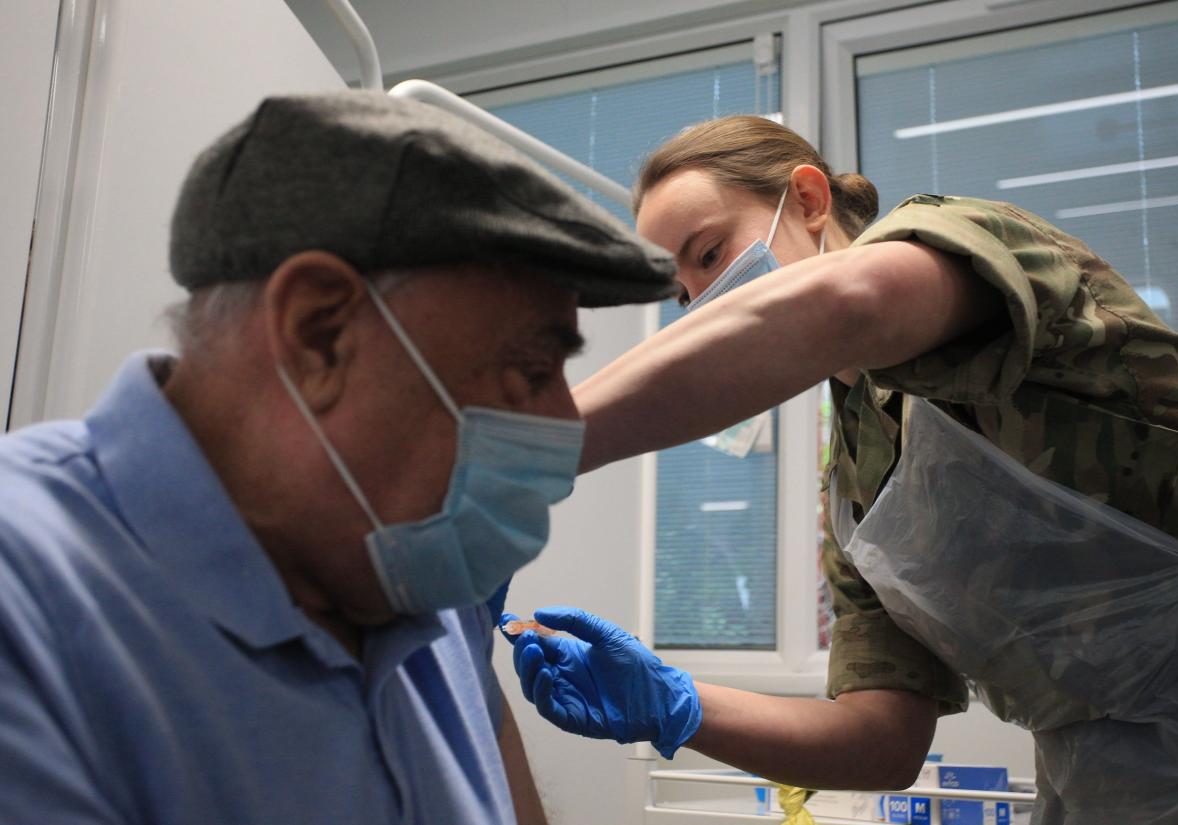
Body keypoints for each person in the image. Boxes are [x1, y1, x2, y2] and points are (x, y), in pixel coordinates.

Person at [504, 115, 1178, 823]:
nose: (703, 305)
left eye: (710, 253)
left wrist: (519, 448)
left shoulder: (955, 243)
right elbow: (882, 738)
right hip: (1118, 794)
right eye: (684, 295)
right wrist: (673, 704)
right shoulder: (862, 496)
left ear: (809, 199)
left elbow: (852, 303)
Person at [0, 91, 676, 825]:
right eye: (531, 369)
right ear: (319, 334)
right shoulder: (30, 608)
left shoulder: (401, 571)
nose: (563, 423)